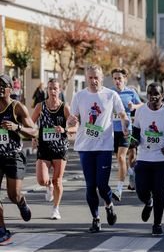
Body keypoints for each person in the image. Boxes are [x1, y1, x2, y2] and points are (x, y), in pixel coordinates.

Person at [67, 64, 129, 233]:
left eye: (96, 77)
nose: (93, 81)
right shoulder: (79, 96)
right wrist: (71, 122)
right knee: (90, 185)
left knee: (102, 185)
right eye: (90, 78)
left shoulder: (111, 95)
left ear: (102, 78)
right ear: (86, 78)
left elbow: (122, 114)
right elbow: (73, 118)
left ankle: (109, 205)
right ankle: (96, 218)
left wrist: (125, 124)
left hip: (104, 146)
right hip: (85, 147)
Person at [132, 82, 164, 236]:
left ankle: (157, 224)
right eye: (150, 94)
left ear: (162, 95)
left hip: (162, 159)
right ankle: (148, 202)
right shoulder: (141, 111)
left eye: (156, 94)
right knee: (141, 191)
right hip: (144, 157)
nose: (153, 97)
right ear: (147, 95)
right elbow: (136, 131)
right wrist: (134, 141)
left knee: (160, 193)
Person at [0, 74, 37, 243]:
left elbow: (34, 131)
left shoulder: (17, 108)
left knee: (13, 194)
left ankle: (21, 202)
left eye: (3, 85)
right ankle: (2, 229)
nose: (0, 88)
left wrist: (17, 127)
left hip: (14, 156)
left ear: (10, 88)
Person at [31, 79, 71, 220]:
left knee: (57, 180)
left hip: (60, 147)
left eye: (55, 88)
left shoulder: (65, 107)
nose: (52, 91)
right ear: (47, 90)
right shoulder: (40, 106)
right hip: (44, 147)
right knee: (42, 180)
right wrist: (34, 136)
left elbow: (75, 127)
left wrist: (64, 129)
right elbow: (31, 124)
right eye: (50, 88)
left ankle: (55, 209)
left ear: (59, 90)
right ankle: (48, 187)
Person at [110, 68, 143, 201]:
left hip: (126, 129)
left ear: (125, 79)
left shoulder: (131, 92)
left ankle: (118, 189)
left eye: (120, 78)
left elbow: (141, 104)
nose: (117, 81)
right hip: (111, 131)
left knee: (121, 157)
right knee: (118, 157)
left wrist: (134, 107)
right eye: (115, 78)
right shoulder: (110, 93)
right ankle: (131, 173)